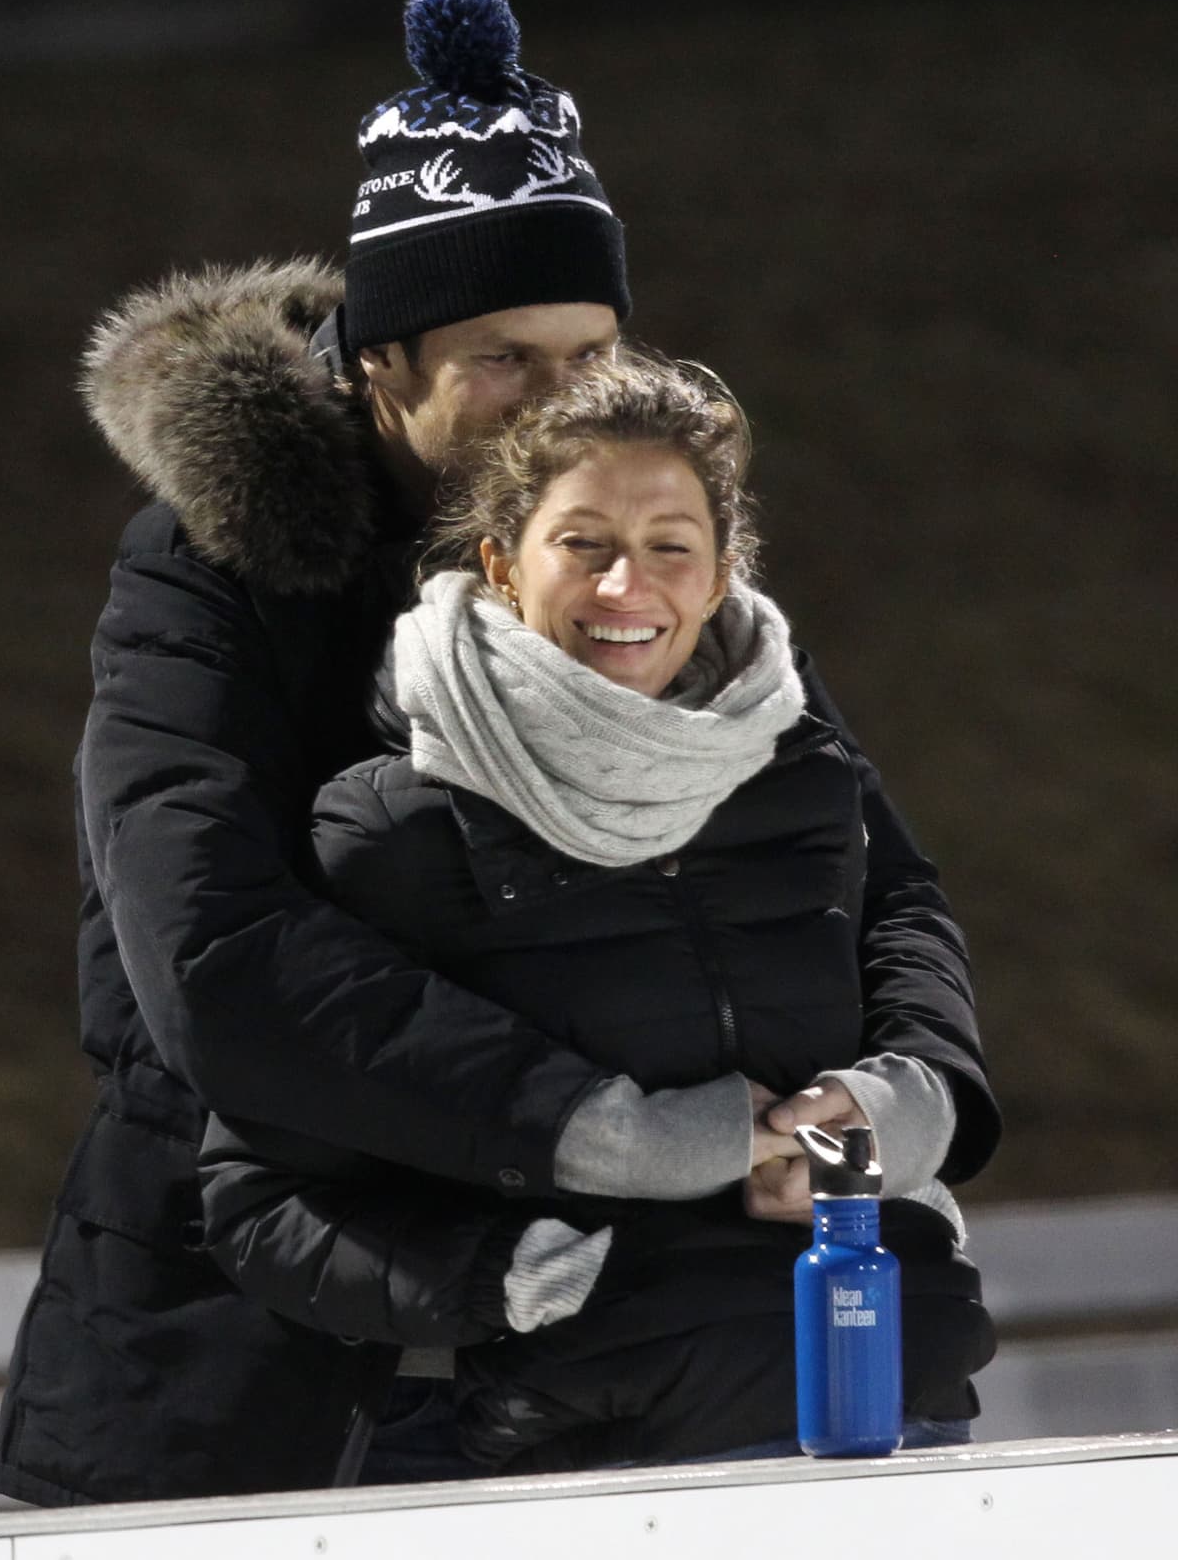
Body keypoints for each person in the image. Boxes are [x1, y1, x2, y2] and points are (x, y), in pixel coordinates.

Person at [0, 0, 996, 1506]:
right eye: (503, 360)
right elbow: (208, 953)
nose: (562, 397)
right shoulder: (213, 573)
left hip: (608, 1356)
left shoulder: (631, 568)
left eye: (590, 349)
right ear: (379, 364)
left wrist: (902, 1090)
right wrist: (595, 1127)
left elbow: (874, 876)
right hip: (256, 1359)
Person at [197, 350, 997, 1475]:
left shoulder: (801, 774)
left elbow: (913, 967)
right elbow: (259, 1204)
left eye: (670, 548)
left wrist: (902, 1109)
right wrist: (514, 1277)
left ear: (719, 578)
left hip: (901, 1418)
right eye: (583, 545)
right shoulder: (392, 830)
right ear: (501, 565)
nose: (628, 589)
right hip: (597, 1466)